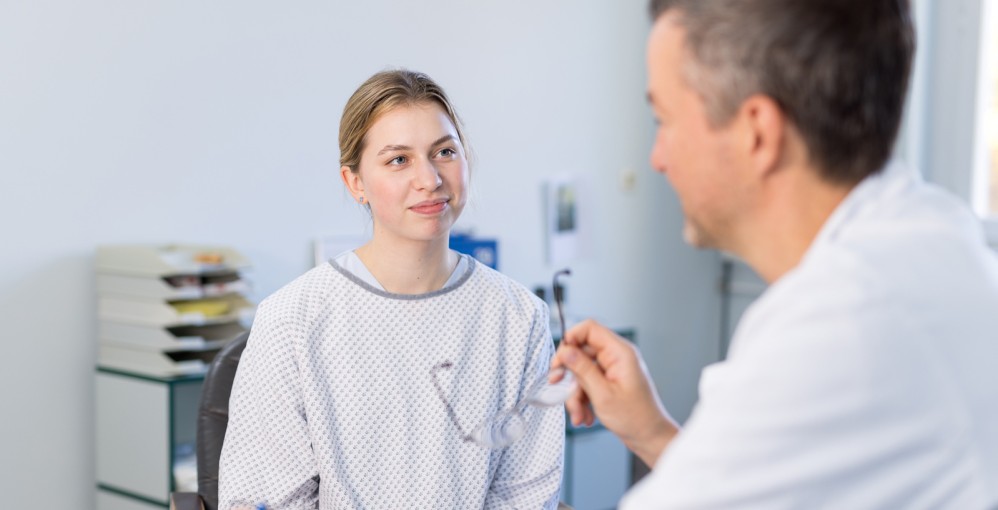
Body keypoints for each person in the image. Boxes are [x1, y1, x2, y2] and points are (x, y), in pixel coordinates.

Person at [553, 0, 998, 507]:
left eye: (665, 119)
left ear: (756, 132)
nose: (658, 158)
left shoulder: (840, 325)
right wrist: (651, 432)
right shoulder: (930, 233)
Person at [219, 69, 564, 509]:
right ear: (355, 182)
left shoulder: (519, 318)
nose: (430, 179)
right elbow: (265, 498)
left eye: (444, 152)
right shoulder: (292, 320)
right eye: (398, 159)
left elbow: (526, 495)